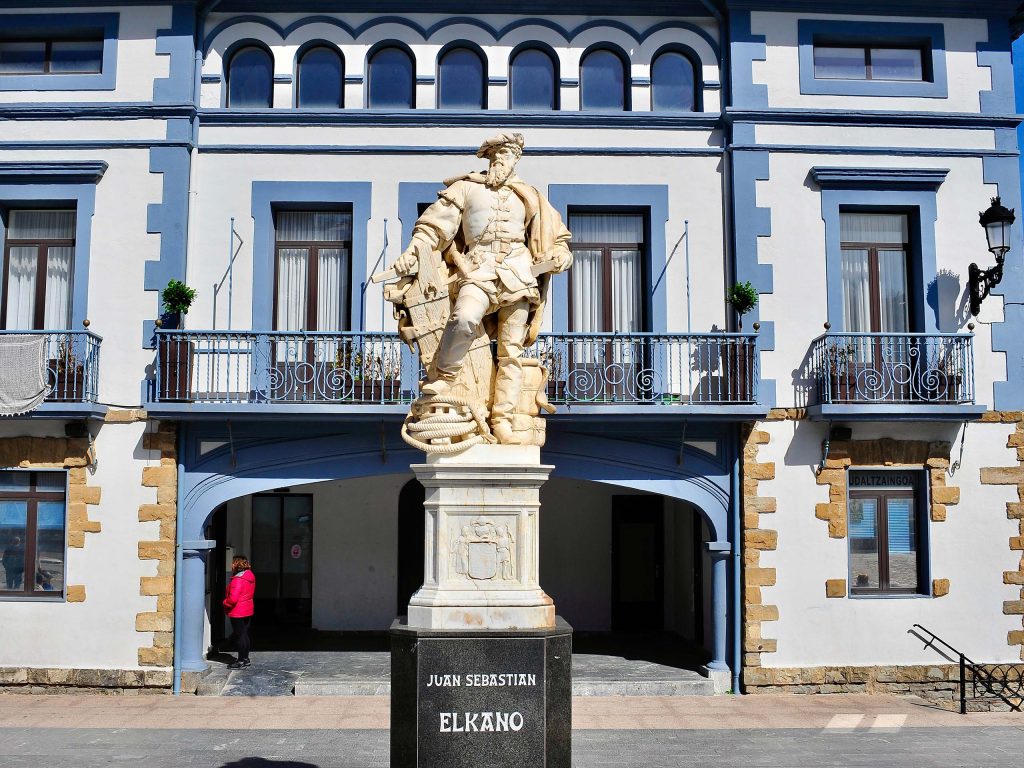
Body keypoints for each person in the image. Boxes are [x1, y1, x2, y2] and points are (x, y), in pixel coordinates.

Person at [392, 132, 572, 442]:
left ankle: (502, 419)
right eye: (498, 153)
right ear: (489, 157)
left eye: (508, 153)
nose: (502, 158)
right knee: (464, 317)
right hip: (478, 268)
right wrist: (413, 252)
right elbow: (433, 227)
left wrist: (561, 255)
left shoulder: (529, 196)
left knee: (510, 352)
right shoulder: (465, 188)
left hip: (518, 272)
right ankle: (445, 377)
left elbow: (558, 238)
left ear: (516, 158)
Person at [222, 555, 256, 669]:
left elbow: (233, 599)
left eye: (232, 563)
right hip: (247, 609)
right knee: (244, 634)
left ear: (236, 565)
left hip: (238, 611)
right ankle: (245, 659)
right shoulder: (250, 576)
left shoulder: (238, 580)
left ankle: (241, 661)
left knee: (240, 635)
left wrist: (224, 602)